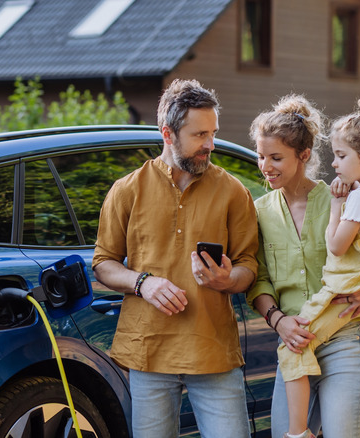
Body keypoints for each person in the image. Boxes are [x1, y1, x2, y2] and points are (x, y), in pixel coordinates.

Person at [92, 78, 259, 438]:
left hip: (212, 351)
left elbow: (249, 266)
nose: (210, 144)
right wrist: (142, 283)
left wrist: (228, 280)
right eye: (199, 135)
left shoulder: (234, 192)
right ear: (168, 133)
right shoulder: (127, 190)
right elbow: (103, 263)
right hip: (148, 352)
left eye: (212, 133)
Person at [246, 95, 360, 438]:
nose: (265, 166)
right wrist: (279, 321)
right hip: (295, 341)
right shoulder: (259, 211)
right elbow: (258, 279)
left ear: (304, 156)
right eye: (261, 156)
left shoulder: (347, 196)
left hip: (349, 338)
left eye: (276, 158)